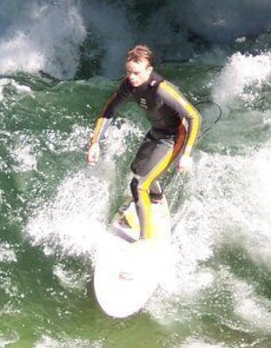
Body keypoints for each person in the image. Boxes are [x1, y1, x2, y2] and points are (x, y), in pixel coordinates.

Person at [86, 45, 201, 241]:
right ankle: (156, 197)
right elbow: (109, 109)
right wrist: (95, 143)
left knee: (138, 185)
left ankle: (145, 240)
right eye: (129, 72)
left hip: (173, 137)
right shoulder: (129, 84)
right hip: (156, 132)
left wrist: (187, 154)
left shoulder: (161, 89)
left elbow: (195, 117)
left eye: (137, 73)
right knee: (136, 169)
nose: (131, 77)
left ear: (148, 70)